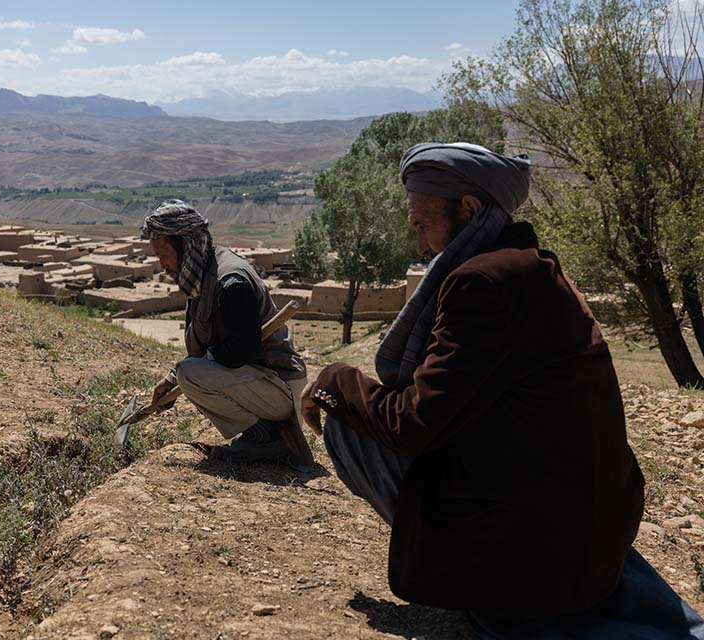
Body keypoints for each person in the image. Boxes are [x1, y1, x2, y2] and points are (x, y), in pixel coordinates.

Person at [301, 142, 704, 638]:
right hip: (595, 522)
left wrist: (333, 382)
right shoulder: (534, 265)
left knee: (351, 424)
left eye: (424, 225)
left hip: (536, 538)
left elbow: (413, 425)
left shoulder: (483, 283)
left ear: (469, 209)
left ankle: (489, 591)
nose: (422, 247)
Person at [142, 199, 313, 471]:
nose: (162, 265)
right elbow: (209, 347)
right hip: (257, 383)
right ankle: (263, 434)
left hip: (281, 387)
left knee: (191, 373)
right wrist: (171, 379)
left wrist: (186, 375)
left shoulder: (231, 282)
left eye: (164, 255)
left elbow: (236, 354)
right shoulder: (201, 276)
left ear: (185, 245)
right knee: (187, 373)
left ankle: (269, 439)